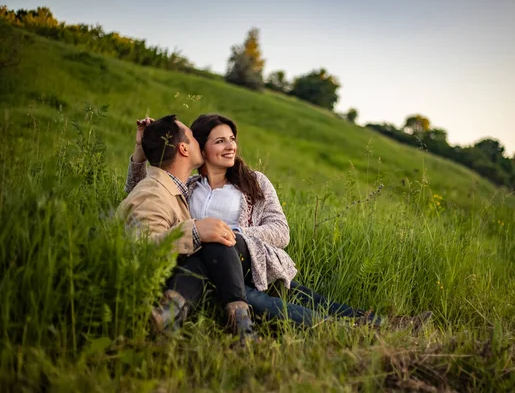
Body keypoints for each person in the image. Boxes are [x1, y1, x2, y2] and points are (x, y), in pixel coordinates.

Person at [127, 114, 432, 332]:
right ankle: (364, 329)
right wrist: (140, 155)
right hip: (216, 272)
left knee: (310, 299)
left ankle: (381, 323)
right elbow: (145, 194)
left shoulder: (253, 183)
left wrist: (233, 234)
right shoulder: (189, 186)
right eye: (219, 141)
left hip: (257, 263)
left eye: (232, 139)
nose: (230, 146)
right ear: (200, 148)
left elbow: (280, 231)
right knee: (283, 304)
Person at [117, 115, 258, 343]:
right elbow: (137, 245)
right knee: (261, 298)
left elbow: (141, 191)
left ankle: (171, 316)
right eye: (193, 138)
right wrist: (194, 232)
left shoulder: (173, 187)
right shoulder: (154, 192)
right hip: (167, 279)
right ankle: (243, 329)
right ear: (183, 149)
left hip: (216, 267)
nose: (198, 143)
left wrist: (144, 148)